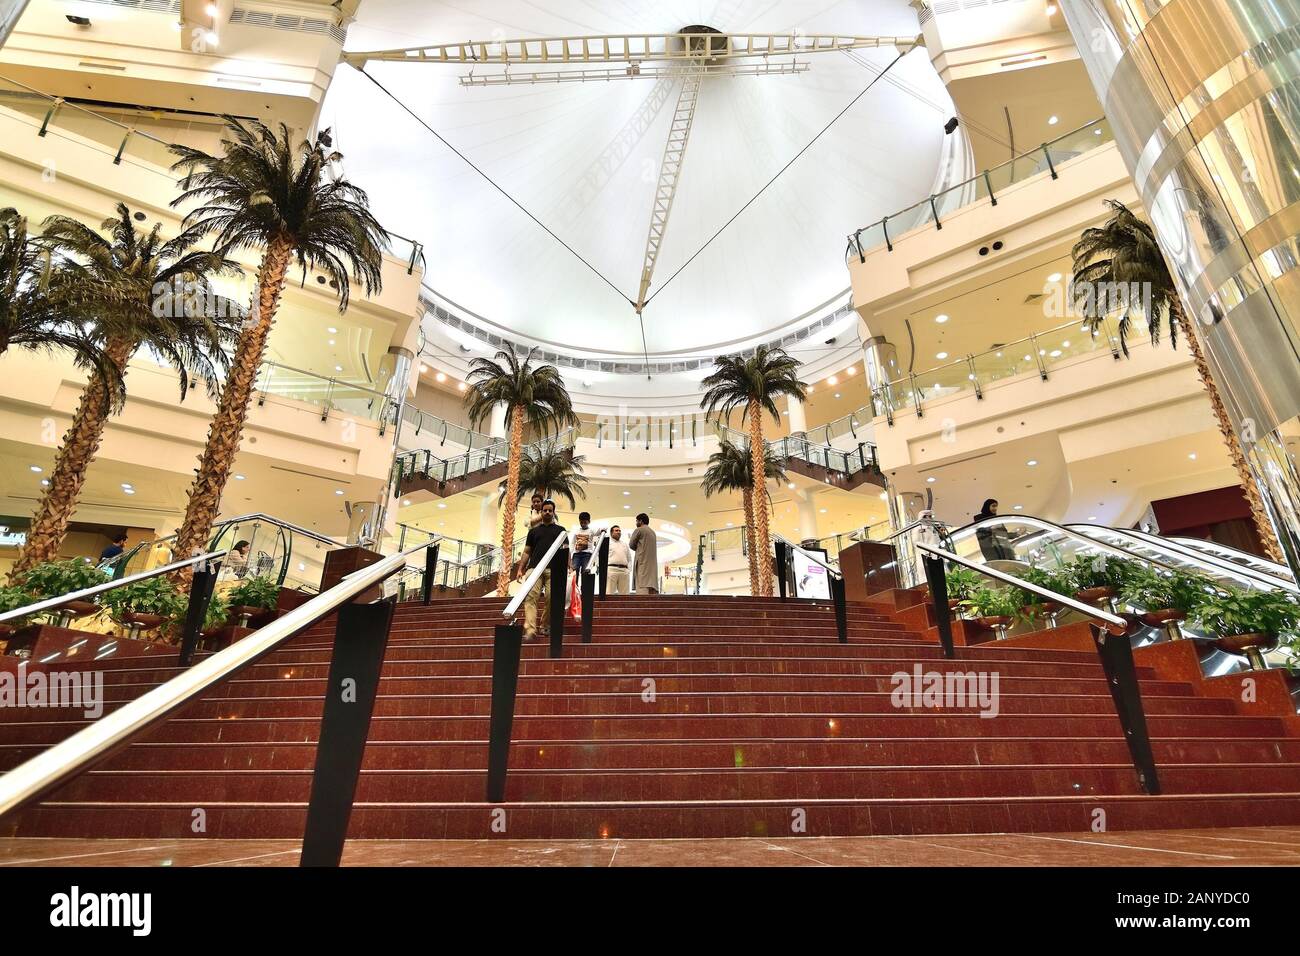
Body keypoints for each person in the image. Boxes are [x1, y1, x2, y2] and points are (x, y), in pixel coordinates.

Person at [516, 500, 566, 640]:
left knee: (551, 598)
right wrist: (521, 568)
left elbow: (565, 550)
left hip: (554, 570)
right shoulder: (533, 532)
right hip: (534, 569)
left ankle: (545, 626)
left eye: (550, 510)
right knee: (531, 597)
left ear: (553, 512)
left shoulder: (561, 531)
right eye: (545, 510)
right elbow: (527, 552)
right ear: (541, 512)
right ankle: (530, 630)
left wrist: (568, 568)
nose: (548, 512)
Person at [628, 513, 659, 594]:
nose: (636, 523)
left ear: (640, 521)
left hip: (642, 564)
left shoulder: (639, 530)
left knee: (642, 591)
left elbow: (631, 544)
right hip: (652, 570)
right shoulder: (653, 532)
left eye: (636, 521)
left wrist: (638, 549)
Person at [606, 524, 631, 595]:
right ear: (611, 533)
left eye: (619, 531)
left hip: (624, 571)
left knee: (625, 594)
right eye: (616, 530)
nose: (618, 532)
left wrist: (628, 570)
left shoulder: (624, 544)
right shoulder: (608, 543)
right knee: (609, 593)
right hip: (611, 570)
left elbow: (629, 558)